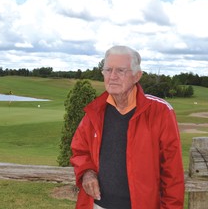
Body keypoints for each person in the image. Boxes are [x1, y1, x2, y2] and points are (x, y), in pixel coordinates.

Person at [70, 45, 185, 209]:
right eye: (108, 70)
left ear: (137, 76)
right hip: (96, 205)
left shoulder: (160, 112)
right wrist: (87, 173)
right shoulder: (94, 112)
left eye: (121, 70)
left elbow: (172, 173)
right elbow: (80, 151)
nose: (113, 76)